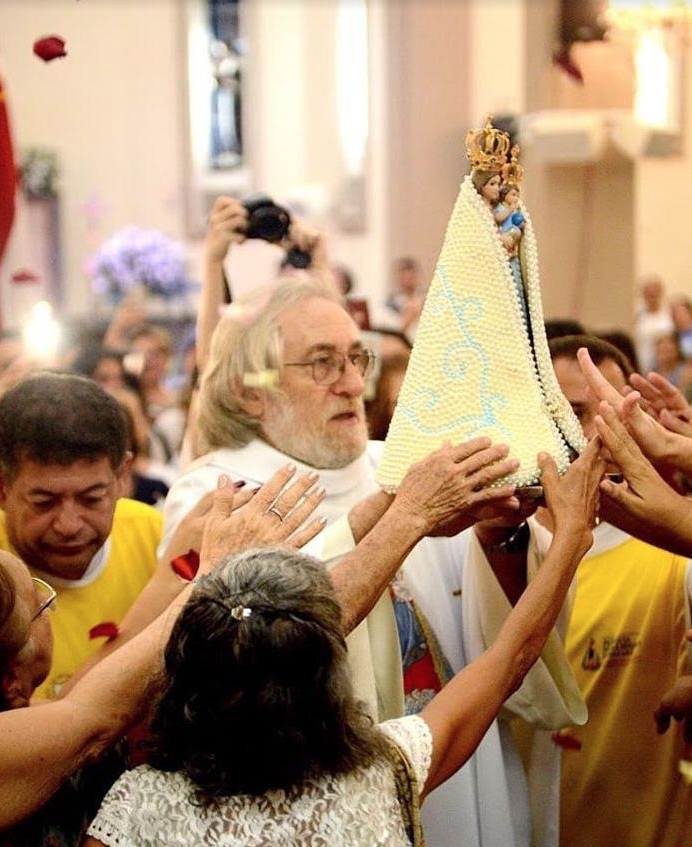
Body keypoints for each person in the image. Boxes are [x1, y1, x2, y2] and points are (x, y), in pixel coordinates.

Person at [85, 440, 603, 847]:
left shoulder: (140, 803)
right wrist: (571, 537)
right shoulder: (382, 775)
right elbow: (507, 659)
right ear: (331, 676)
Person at [0, 471, 326, 841]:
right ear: (12, 680)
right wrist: (214, 577)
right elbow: (95, 714)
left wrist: (176, 570)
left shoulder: (32, 719)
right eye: (38, 604)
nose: (47, 598)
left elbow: (84, 694)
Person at [544, 335, 692, 847]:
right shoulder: (498, 551)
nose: (582, 433)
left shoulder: (674, 554)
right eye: (558, 412)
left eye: (597, 412)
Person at [0, 373, 162, 698]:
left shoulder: (157, 538)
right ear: (3, 489)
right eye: (44, 502)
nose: (69, 524)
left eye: (91, 498)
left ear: (122, 477)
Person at [634, 273, 673, 373]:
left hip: (666, 367)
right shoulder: (639, 316)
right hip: (643, 364)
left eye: (654, 292)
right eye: (648, 293)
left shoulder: (668, 314)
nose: (651, 295)